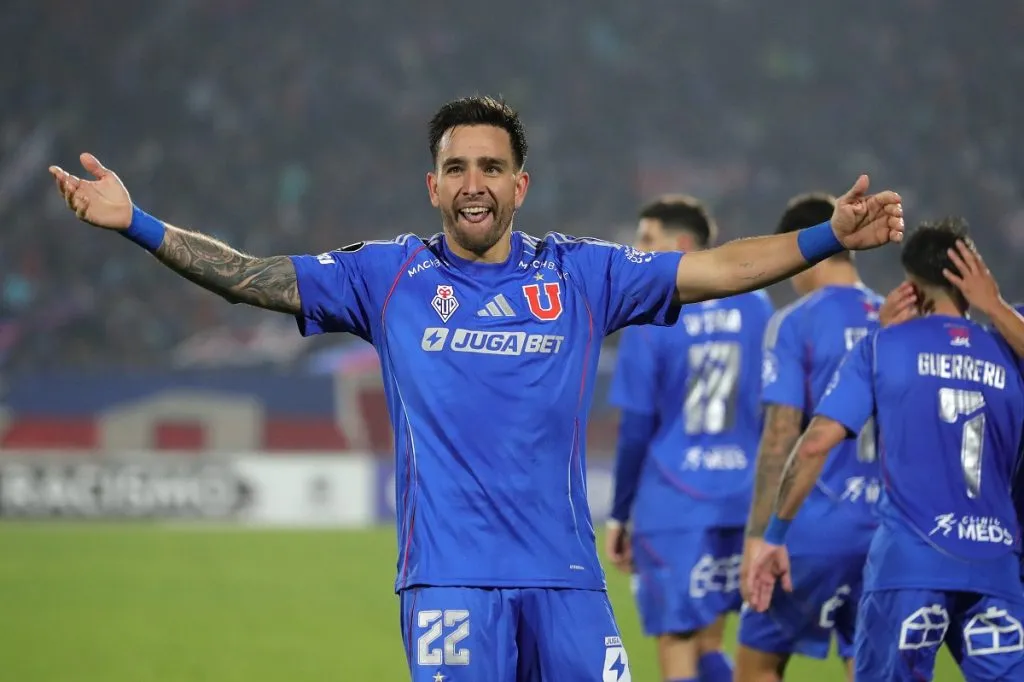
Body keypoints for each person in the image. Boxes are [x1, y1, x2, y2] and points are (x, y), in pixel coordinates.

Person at [48, 95, 904, 682]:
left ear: (519, 185)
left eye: (491, 167)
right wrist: (139, 224)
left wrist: (828, 235)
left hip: (566, 579)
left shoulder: (582, 273)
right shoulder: (385, 276)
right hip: (450, 579)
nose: (473, 183)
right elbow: (252, 278)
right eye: (456, 167)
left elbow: (717, 268)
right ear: (433, 185)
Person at [748, 219, 1024, 681]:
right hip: (996, 565)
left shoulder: (882, 348)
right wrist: (994, 306)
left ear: (911, 285)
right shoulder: (1009, 345)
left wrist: (774, 535)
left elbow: (814, 444)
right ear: (976, 278)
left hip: (909, 563)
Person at [605, 195, 773, 682]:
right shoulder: (757, 305)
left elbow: (636, 428)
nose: (636, 251)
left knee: (678, 641)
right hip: (740, 501)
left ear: (680, 245)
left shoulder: (653, 310)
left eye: (646, 240)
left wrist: (620, 512)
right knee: (710, 641)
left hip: (674, 501)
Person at [734, 193, 885, 682]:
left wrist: (758, 538)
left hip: (810, 529)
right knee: (866, 665)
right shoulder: (894, 320)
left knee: (757, 663)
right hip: (884, 533)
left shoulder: (795, 321)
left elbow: (781, 436)